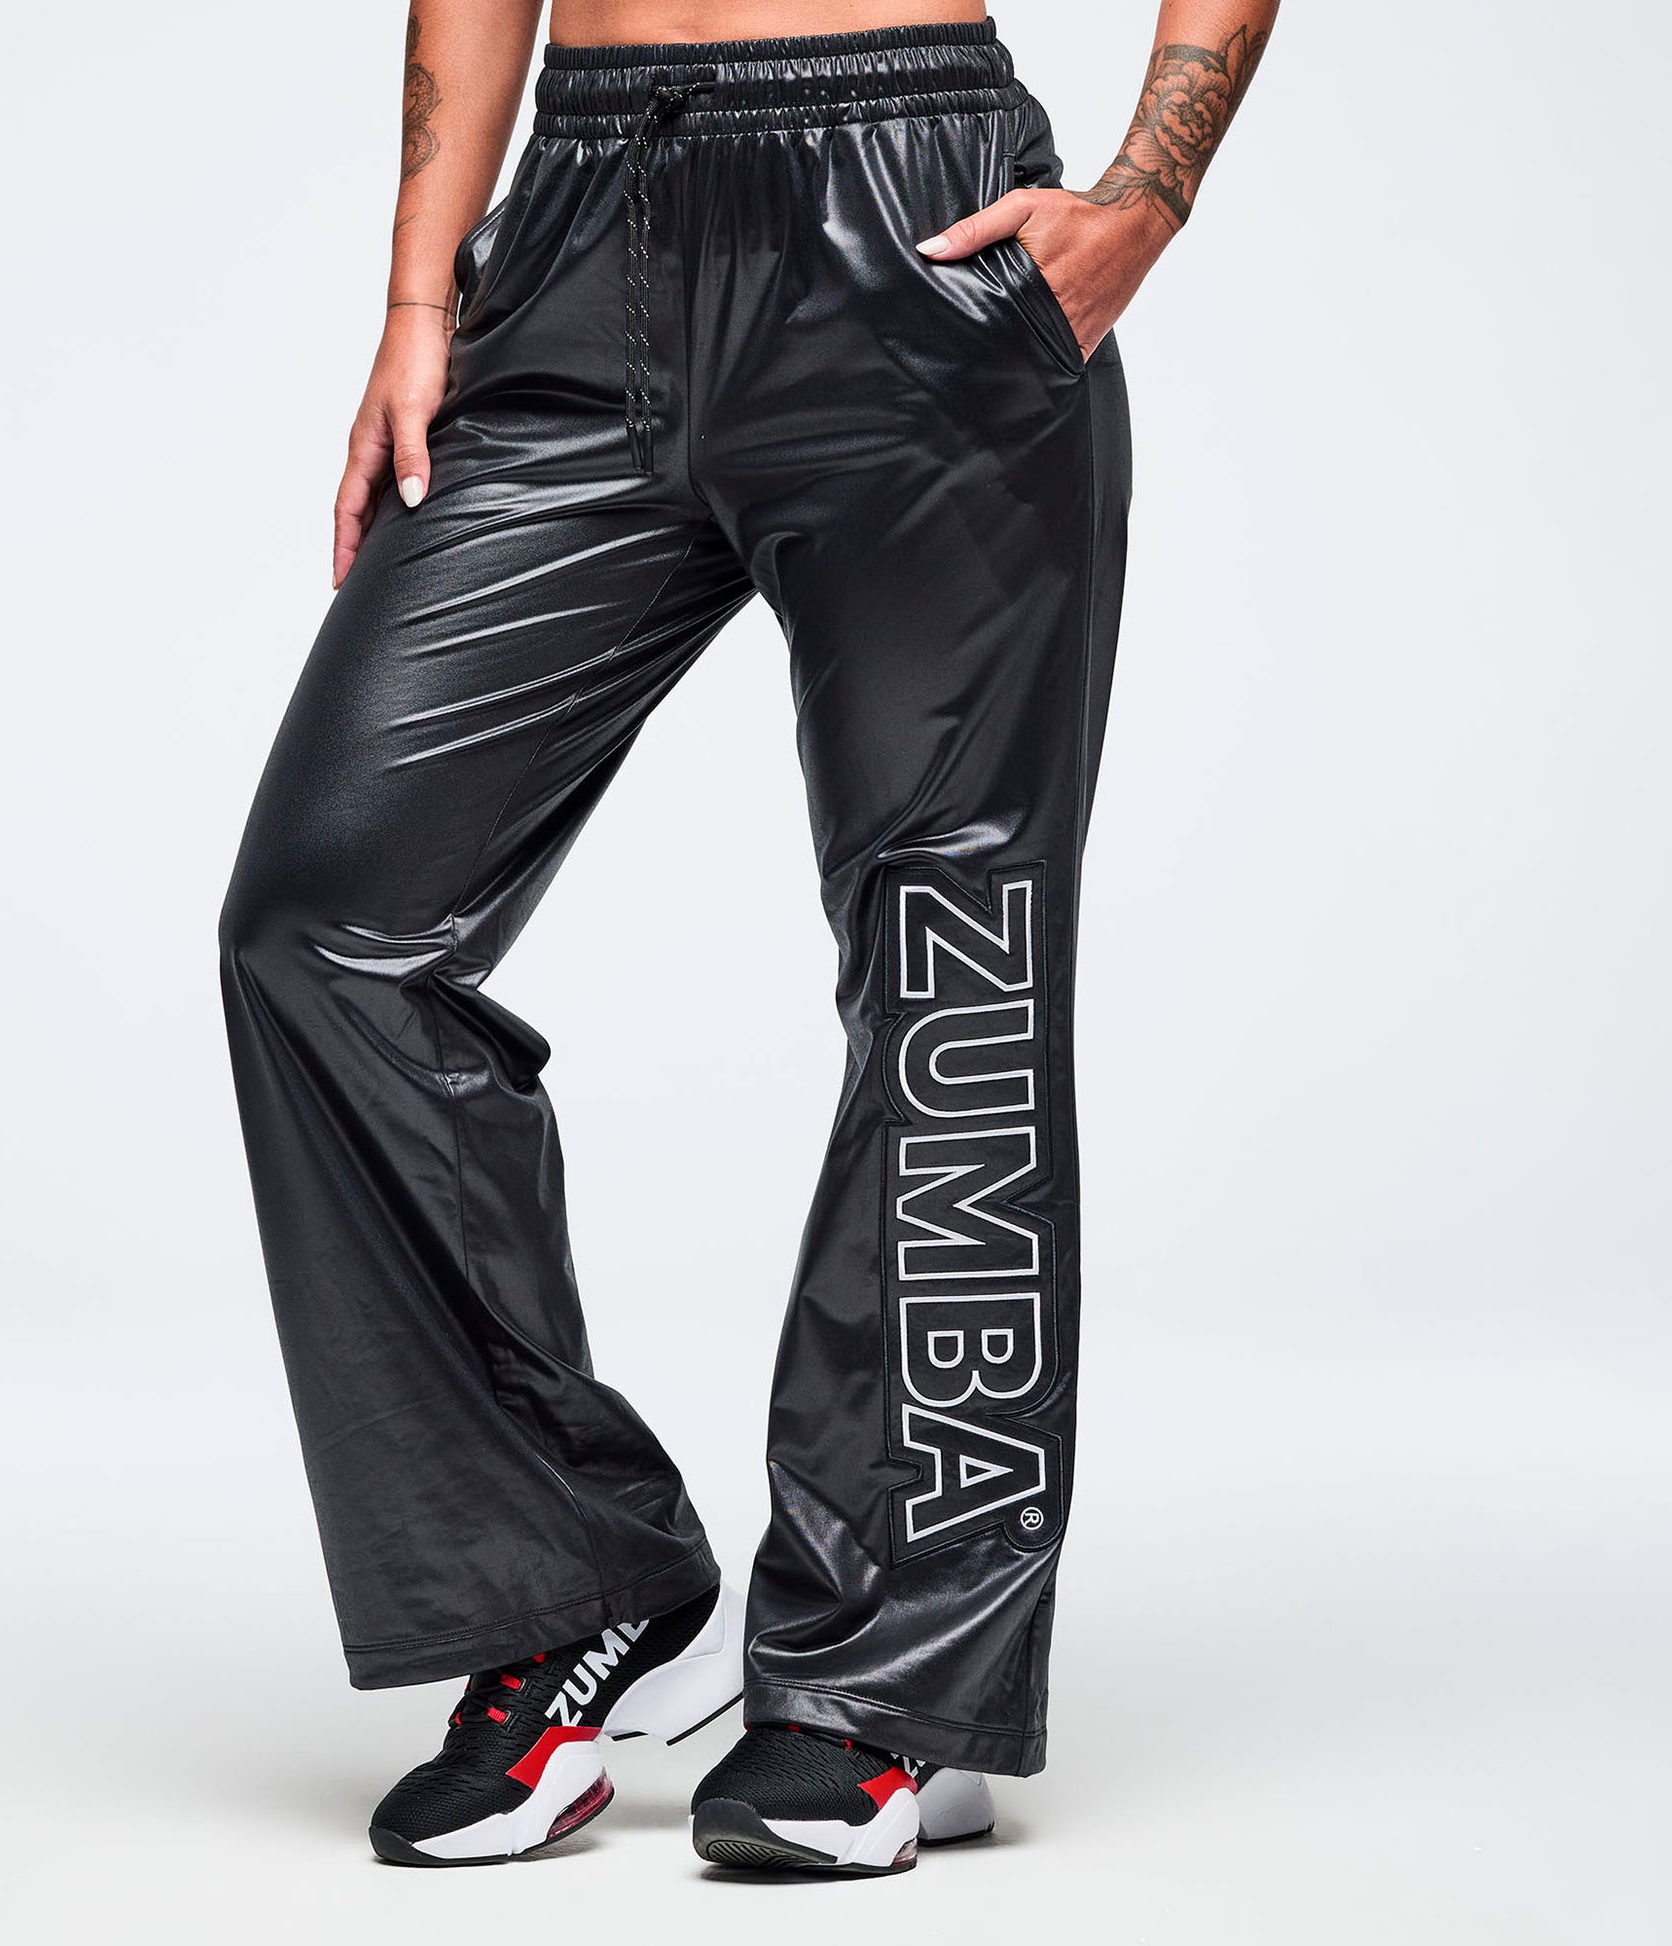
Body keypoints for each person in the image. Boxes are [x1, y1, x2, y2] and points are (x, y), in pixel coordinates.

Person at [220, 0, 1276, 1875]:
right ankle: (572, 1583)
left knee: (947, 949)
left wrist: (1144, 194)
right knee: (321, 929)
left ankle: (890, 1678)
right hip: (577, 232)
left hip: (911, 226)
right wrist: (417, 297)